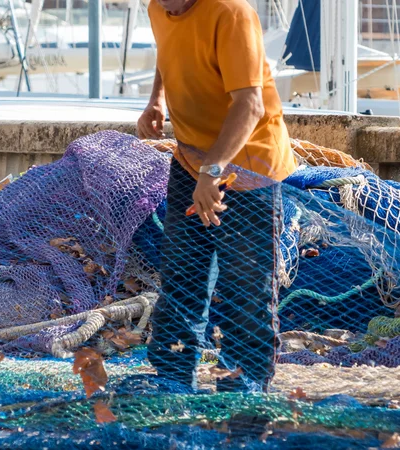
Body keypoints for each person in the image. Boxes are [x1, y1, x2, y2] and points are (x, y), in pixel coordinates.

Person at [137, 0, 297, 392]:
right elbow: (168, 51)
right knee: (181, 273)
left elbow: (250, 104)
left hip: (249, 168)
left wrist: (214, 171)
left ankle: (244, 383)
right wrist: (156, 98)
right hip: (193, 159)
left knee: (245, 286)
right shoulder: (159, 8)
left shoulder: (231, 14)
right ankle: (172, 374)